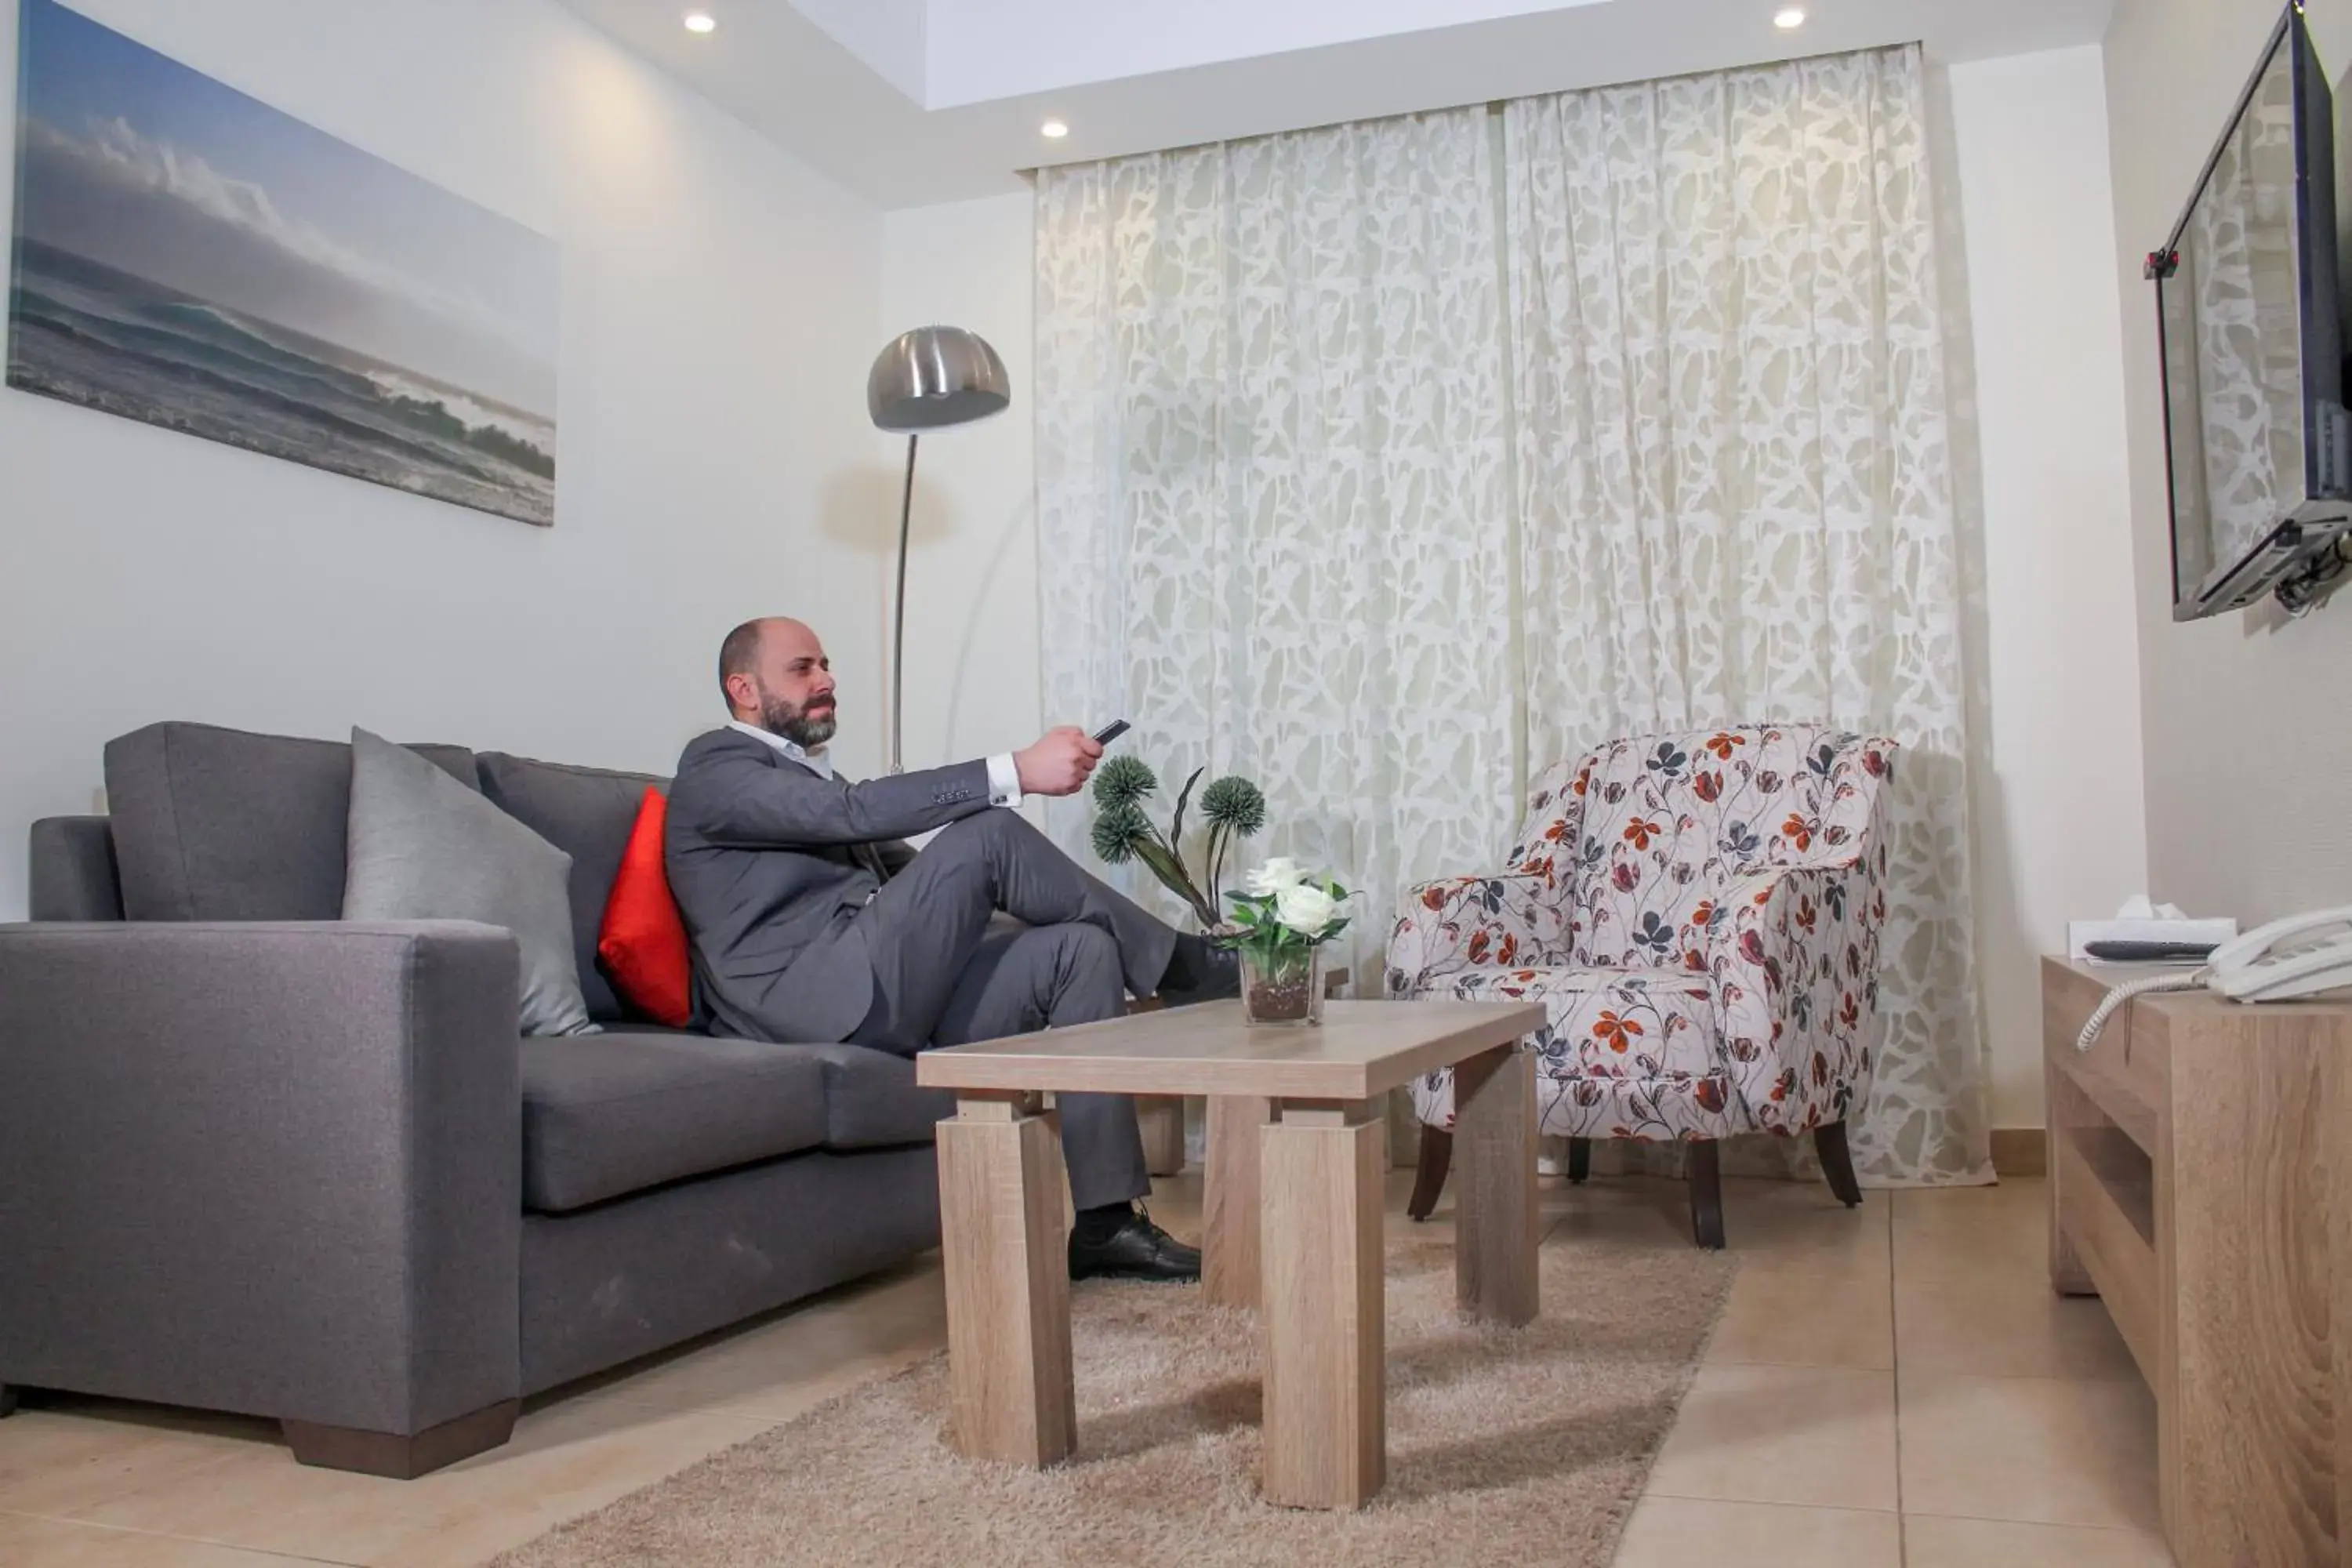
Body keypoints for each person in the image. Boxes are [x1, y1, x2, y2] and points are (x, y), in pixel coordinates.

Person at [665, 616, 1238, 1283]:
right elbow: (858, 813)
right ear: (743, 688)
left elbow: (926, 879)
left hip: (882, 986)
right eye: (803, 669)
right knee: (990, 830)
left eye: (825, 664)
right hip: (811, 1001)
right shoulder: (715, 767)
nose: (826, 680)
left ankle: (1106, 1224)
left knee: (1078, 950)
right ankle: (1186, 969)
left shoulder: (809, 785)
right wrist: (1018, 770)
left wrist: (1014, 915)